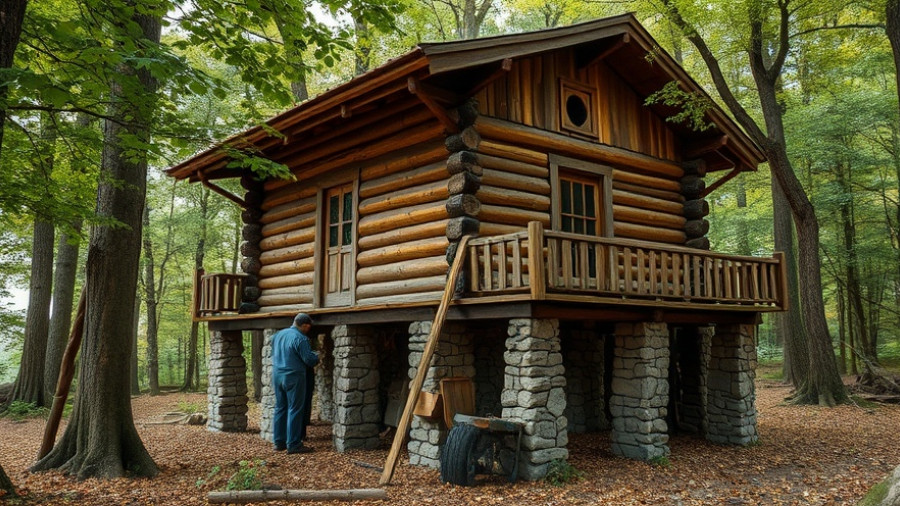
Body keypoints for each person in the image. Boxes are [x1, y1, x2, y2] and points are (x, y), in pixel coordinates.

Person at [271, 312, 320, 453]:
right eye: (308, 327)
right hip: (294, 376)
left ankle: (279, 442)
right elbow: (309, 360)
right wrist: (317, 356)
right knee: (295, 408)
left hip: (277, 374)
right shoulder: (301, 338)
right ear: (305, 325)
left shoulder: (277, 335)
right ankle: (293, 444)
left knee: (280, 407)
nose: (308, 330)